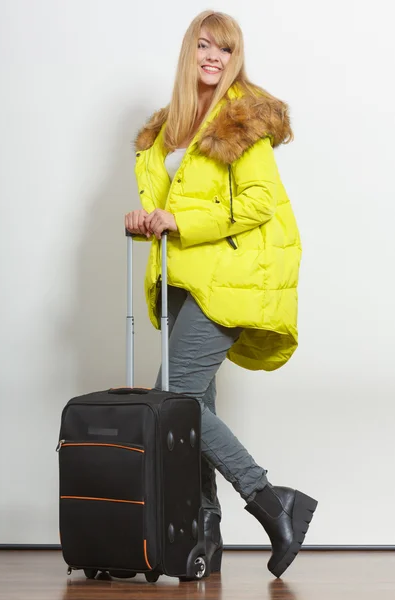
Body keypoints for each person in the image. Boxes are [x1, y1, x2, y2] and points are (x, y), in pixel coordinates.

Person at [125, 10, 318, 579]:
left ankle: (270, 499)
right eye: (205, 46)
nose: (213, 56)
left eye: (225, 50)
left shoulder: (240, 118)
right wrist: (147, 218)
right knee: (196, 407)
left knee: (173, 403)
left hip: (230, 281)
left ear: (236, 59)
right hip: (184, 280)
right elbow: (167, 204)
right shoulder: (169, 130)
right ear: (191, 51)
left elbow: (258, 203)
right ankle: (204, 533)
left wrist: (180, 221)